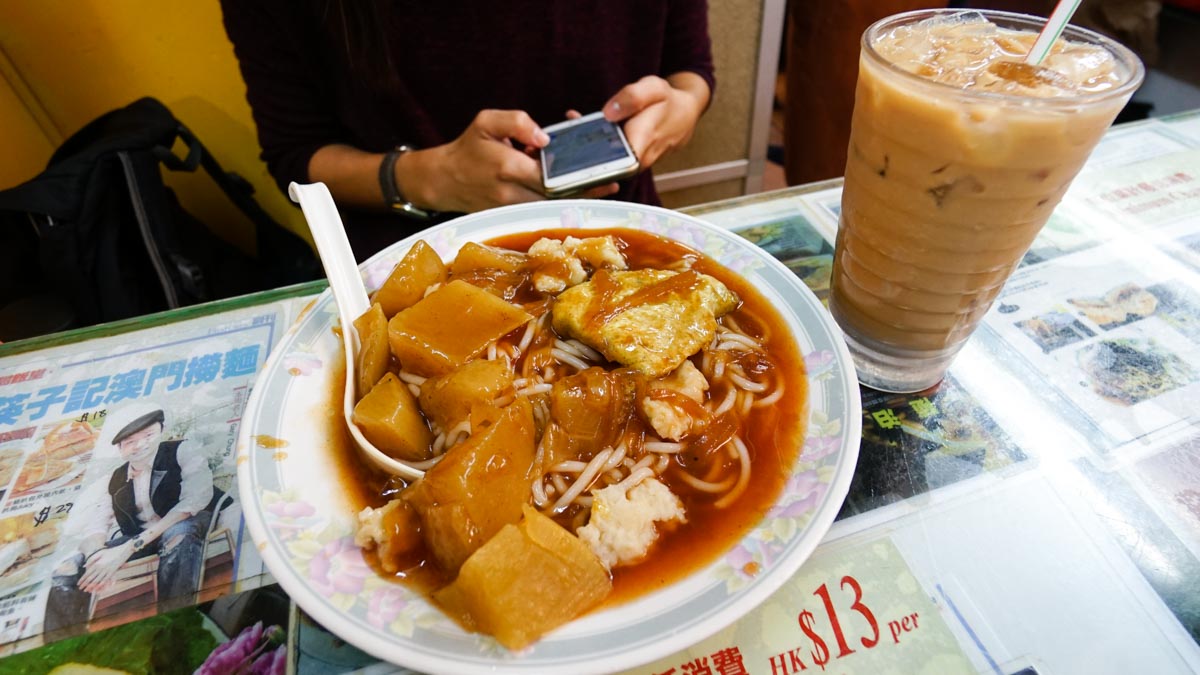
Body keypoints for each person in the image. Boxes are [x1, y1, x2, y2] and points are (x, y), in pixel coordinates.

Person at [220, 1, 716, 259]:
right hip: (420, 259)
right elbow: (296, 155)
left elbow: (689, 67)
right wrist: (432, 177)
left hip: (625, 229)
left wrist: (683, 106)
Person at [44, 407, 221, 634]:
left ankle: (177, 626)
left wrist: (128, 548)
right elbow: (96, 526)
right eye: (129, 441)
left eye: (148, 435)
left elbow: (193, 502)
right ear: (120, 448)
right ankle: (63, 641)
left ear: (162, 431)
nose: (140, 445)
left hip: (180, 525)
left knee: (178, 536)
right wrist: (96, 559)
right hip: (140, 540)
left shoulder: (182, 450)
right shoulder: (117, 477)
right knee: (66, 569)